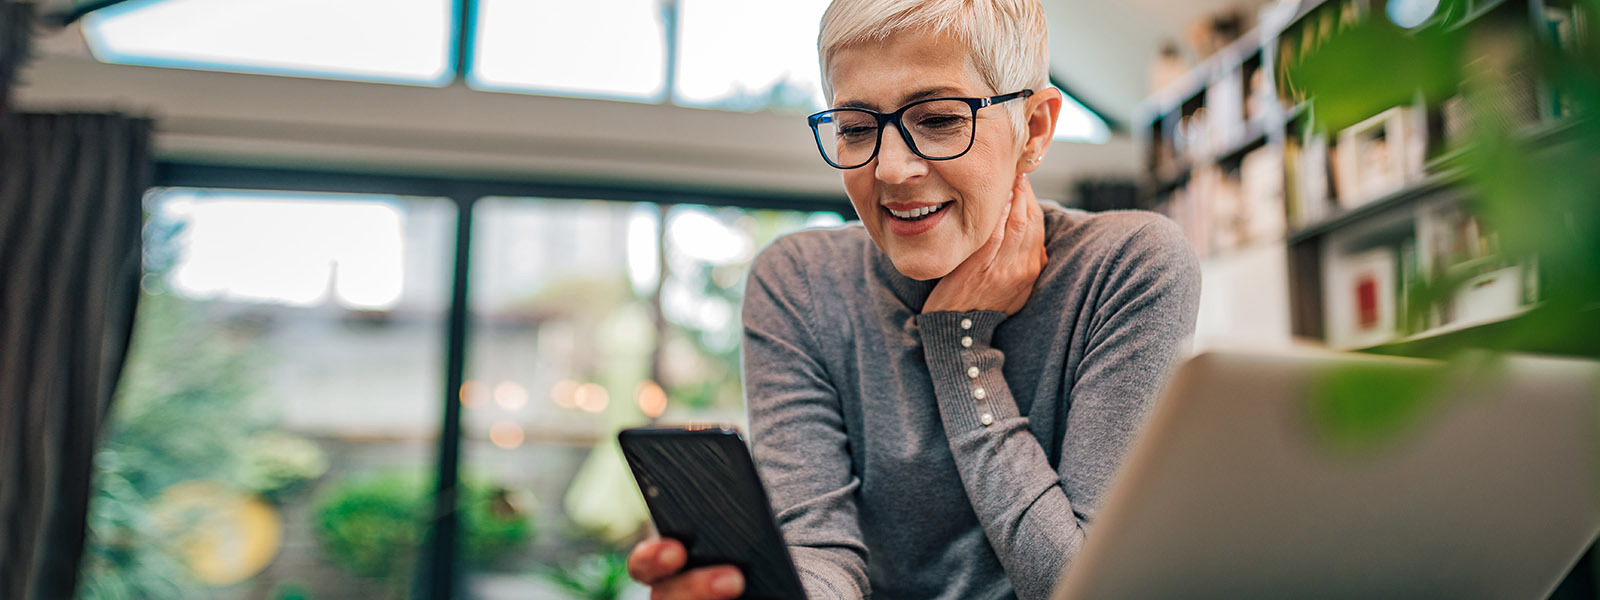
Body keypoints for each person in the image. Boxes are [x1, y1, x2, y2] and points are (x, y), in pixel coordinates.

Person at [628, 0, 1200, 598]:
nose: (892, 169)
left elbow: (1082, 585)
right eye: (855, 128)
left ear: (1033, 128)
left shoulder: (1129, 265)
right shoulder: (799, 282)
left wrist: (960, 346)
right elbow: (819, 552)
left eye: (939, 119)